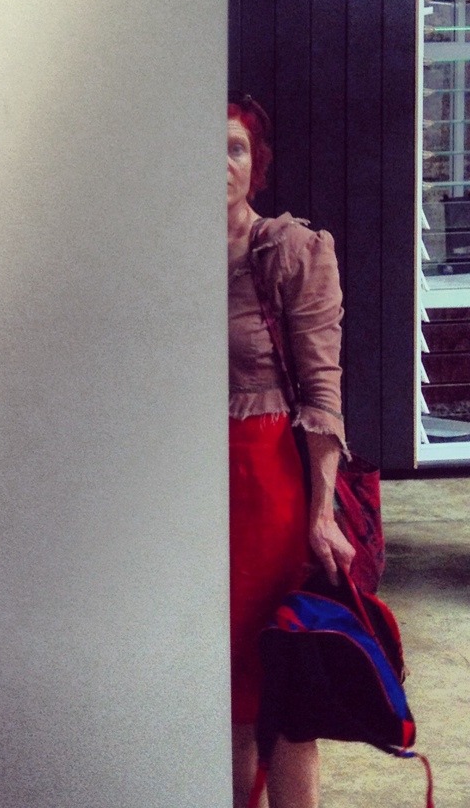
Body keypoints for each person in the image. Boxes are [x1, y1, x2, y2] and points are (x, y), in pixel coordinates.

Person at [227, 95, 355, 808]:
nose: (219, 164)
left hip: (265, 490)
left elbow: (322, 390)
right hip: (179, 495)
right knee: (217, 692)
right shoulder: (151, 258)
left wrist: (322, 513)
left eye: (235, 148)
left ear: (257, 165)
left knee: (280, 685)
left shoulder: (287, 251)